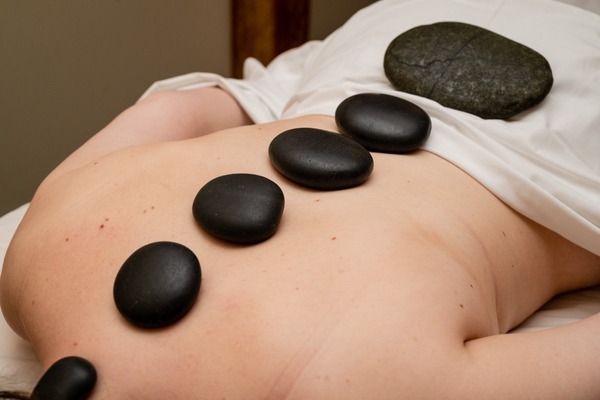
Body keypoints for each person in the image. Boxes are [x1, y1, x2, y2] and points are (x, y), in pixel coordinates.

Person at [2, 0, 600, 398]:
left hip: (565, 126)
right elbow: (179, 108)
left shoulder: (372, 382)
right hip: (379, 47)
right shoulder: (34, 262)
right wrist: (272, 100)